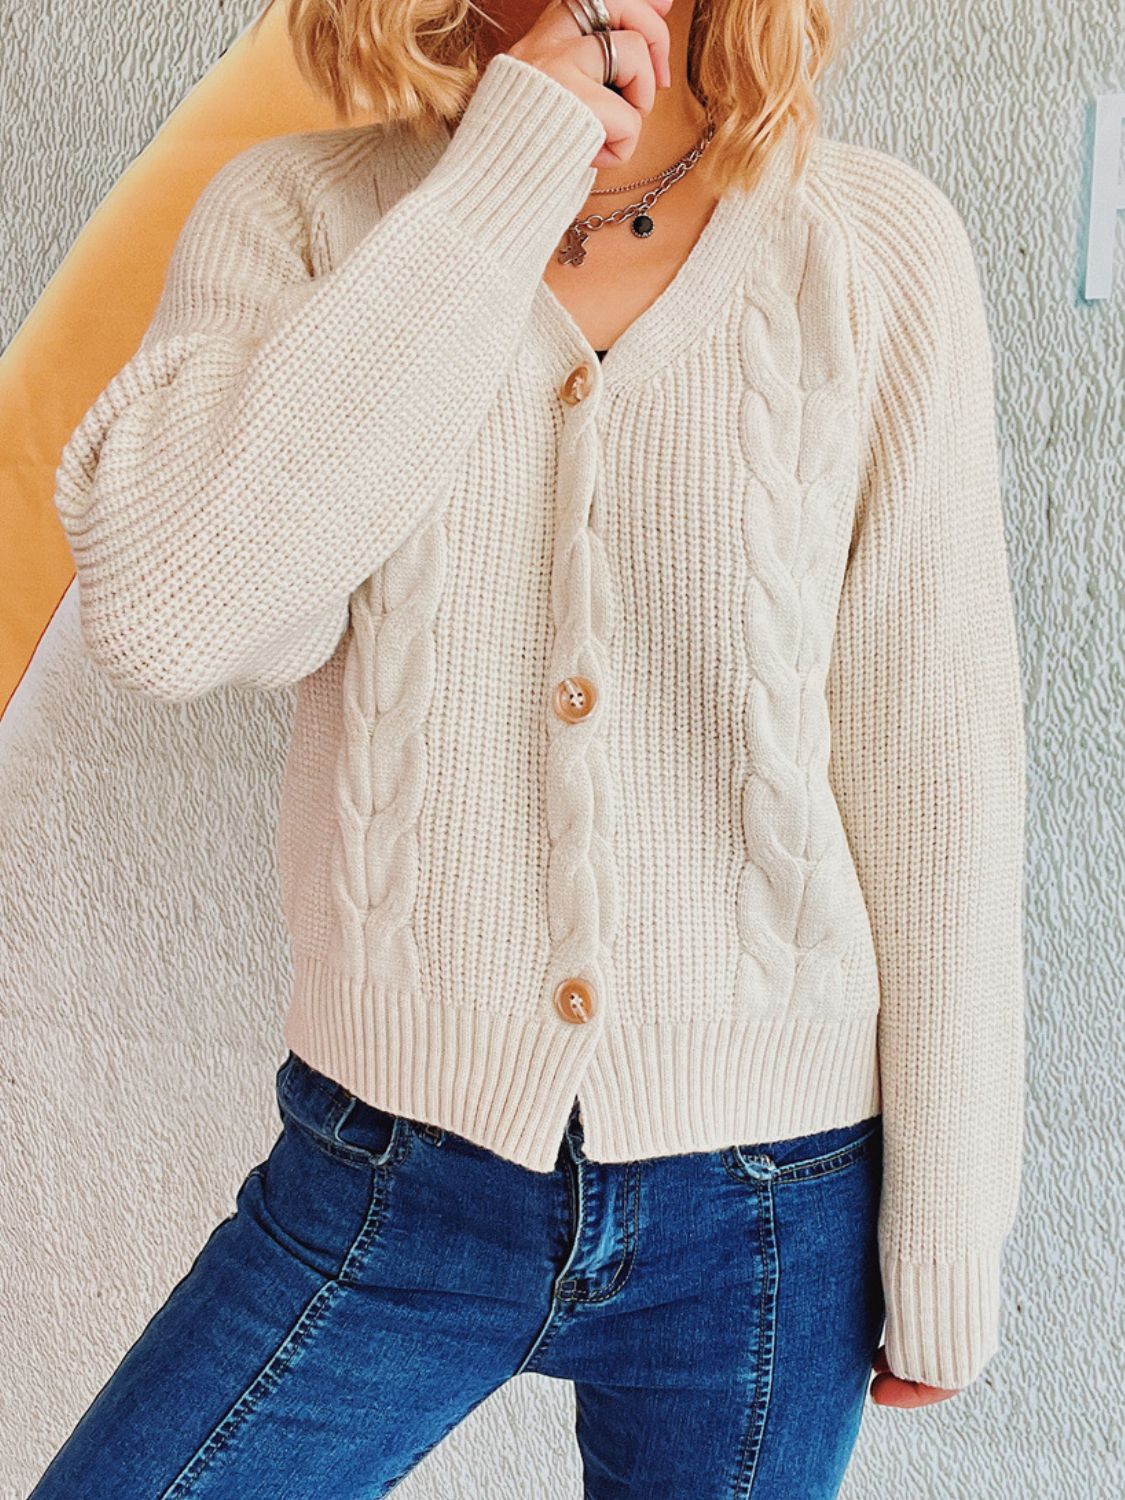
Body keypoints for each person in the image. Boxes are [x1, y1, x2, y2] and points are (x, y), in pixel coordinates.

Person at [30, 0, 1027, 1493]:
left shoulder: (872, 247)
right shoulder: (299, 215)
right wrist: (505, 170)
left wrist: (947, 1229)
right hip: (387, 1175)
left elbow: (937, 768)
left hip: (772, 1208)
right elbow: (176, 616)